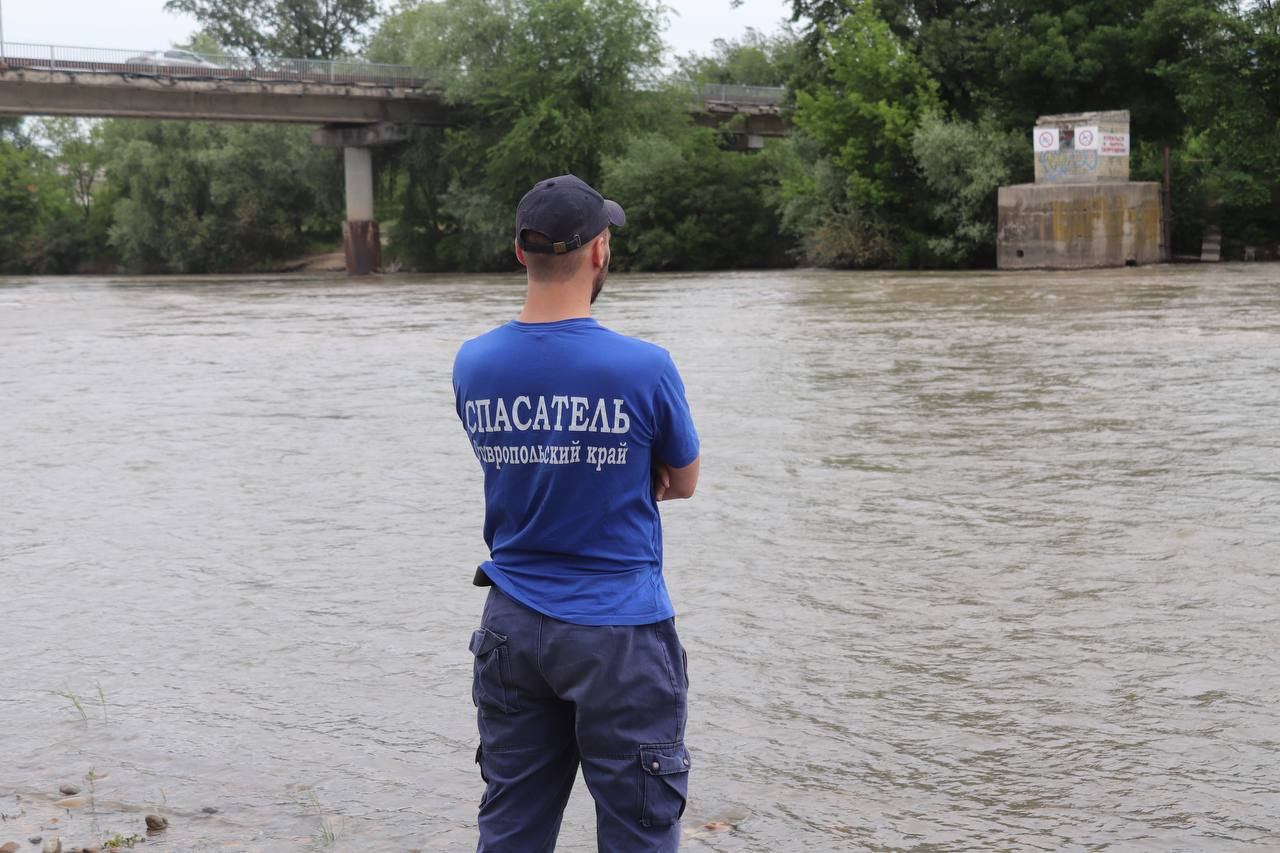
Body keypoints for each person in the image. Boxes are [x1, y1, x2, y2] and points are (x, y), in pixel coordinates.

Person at [452, 174, 701, 851]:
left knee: (511, 828)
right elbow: (683, 479)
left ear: (519, 253)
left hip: (511, 623)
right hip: (619, 631)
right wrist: (624, 470)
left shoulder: (473, 364)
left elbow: (511, 463)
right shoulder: (645, 367)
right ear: (599, 253)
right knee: (639, 833)